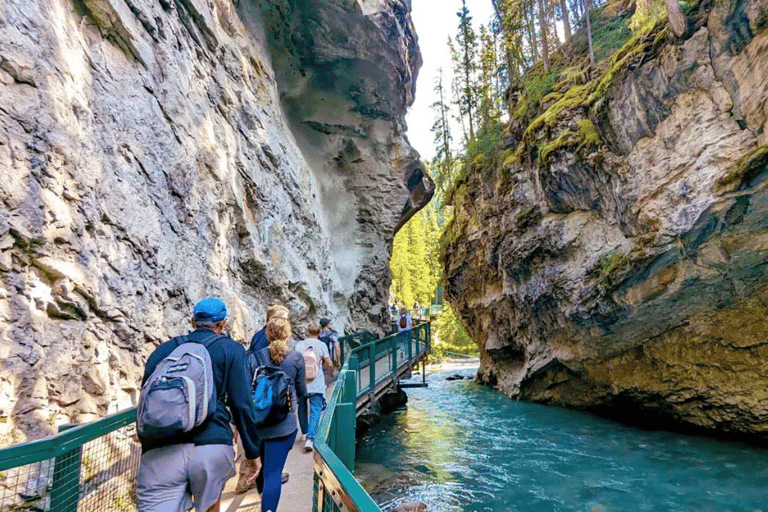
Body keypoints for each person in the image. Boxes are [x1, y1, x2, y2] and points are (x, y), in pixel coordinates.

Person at [136, 298, 262, 512]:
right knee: (209, 506)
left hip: (161, 449)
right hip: (211, 446)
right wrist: (252, 453)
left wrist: (147, 445)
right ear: (223, 323)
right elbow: (241, 404)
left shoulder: (163, 351)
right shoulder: (231, 350)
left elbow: (147, 403)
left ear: (192, 321)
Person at [249, 315, 307, 512]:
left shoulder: (254, 358)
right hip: (284, 426)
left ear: (267, 334)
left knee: (264, 471)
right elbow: (302, 392)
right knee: (273, 474)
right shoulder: (295, 357)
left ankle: (262, 499)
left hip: (257, 425)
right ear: (288, 334)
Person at [294, 321, 333, 451]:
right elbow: (329, 363)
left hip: (302, 382)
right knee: (316, 409)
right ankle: (310, 439)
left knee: (302, 408)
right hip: (316, 383)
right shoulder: (321, 345)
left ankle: (304, 433)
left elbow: (295, 361)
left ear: (307, 331)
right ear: (319, 332)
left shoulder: (300, 345)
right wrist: (330, 373)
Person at [318, 318, 341, 386]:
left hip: (319, 359)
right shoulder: (332, 334)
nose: (331, 325)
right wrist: (338, 361)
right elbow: (337, 348)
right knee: (330, 377)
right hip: (329, 359)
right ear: (327, 325)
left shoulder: (318, 335)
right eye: (330, 323)